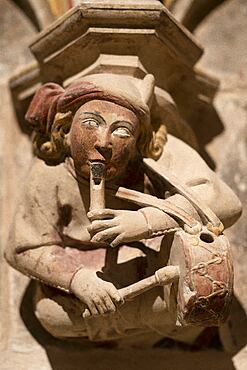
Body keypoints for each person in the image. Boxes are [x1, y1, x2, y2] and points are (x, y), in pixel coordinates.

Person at [5, 73, 241, 342]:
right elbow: (22, 247)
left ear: (139, 139)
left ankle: (162, 316)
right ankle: (150, 317)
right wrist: (76, 278)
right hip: (86, 277)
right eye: (91, 123)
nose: (104, 143)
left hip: (154, 265)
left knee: (198, 293)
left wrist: (147, 220)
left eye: (121, 131)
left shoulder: (154, 153)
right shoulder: (49, 174)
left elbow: (226, 202)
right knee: (52, 315)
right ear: (66, 130)